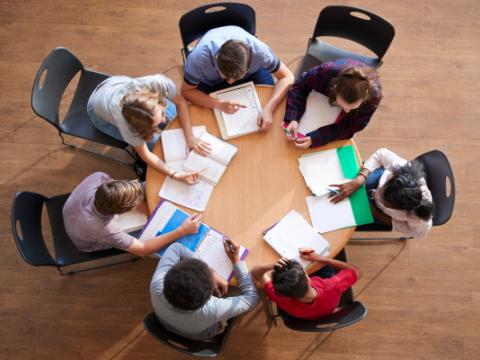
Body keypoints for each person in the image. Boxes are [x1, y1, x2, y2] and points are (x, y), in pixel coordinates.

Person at [88, 74, 211, 184]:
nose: (164, 120)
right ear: (141, 128)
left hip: (113, 84)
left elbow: (181, 103)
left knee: (174, 117)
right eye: (155, 124)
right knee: (157, 145)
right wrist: (175, 174)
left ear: (156, 99)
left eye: (162, 113)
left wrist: (190, 137)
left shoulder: (156, 84)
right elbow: (145, 154)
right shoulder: (126, 125)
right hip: (98, 109)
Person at [181, 26, 294, 131]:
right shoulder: (198, 60)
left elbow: (287, 77)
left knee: (270, 107)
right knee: (209, 123)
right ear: (216, 59)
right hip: (211, 82)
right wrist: (218, 104)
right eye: (225, 76)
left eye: (236, 78)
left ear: (250, 63)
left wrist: (269, 108)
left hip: (252, 75)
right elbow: (186, 91)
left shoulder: (260, 52)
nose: (230, 82)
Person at [63, 172, 202, 256]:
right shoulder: (105, 229)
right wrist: (182, 230)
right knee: (156, 233)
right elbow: (143, 250)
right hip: (87, 240)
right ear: (120, 212)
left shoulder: (99, 178)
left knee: (146, 186)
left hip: (74, 212)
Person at [150, 239, 259, 340]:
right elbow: (252, 298)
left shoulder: (157, 284)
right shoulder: (213, 309)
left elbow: (176, 248)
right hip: (201, 335)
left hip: (165, 324)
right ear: (210, 295)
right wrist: (236, 261)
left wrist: (211, 272)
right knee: (233, 294)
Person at [329, 148, 435, 238]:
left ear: (400, 209)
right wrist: (361, 178)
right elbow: (381, 153)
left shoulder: (419, 219)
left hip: (378, 211)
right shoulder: (402, 168)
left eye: (385, 202)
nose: (378, 195)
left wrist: (376, 214)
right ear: (394, 176)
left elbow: (417, 233)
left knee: (340, 221)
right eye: (383, 190)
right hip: (375, 182)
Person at [283, 58, 382, 148]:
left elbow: (353, 126)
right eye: (341, 105)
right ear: (334, 87)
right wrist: (294, 118)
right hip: (336, 71)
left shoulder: (374, 97)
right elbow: (300, 86)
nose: (347, 112)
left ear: (365, 97)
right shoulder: (325, 73)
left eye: (353, 107)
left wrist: (317, 138)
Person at [251, 248, 360, 320]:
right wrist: (319, 258)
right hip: (328, 308)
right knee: (324, 263)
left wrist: (272, 266)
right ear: (308, 278)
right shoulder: (331, 285)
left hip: (302, 315)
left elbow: (255, 272)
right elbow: (356, 271)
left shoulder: (279, 297)